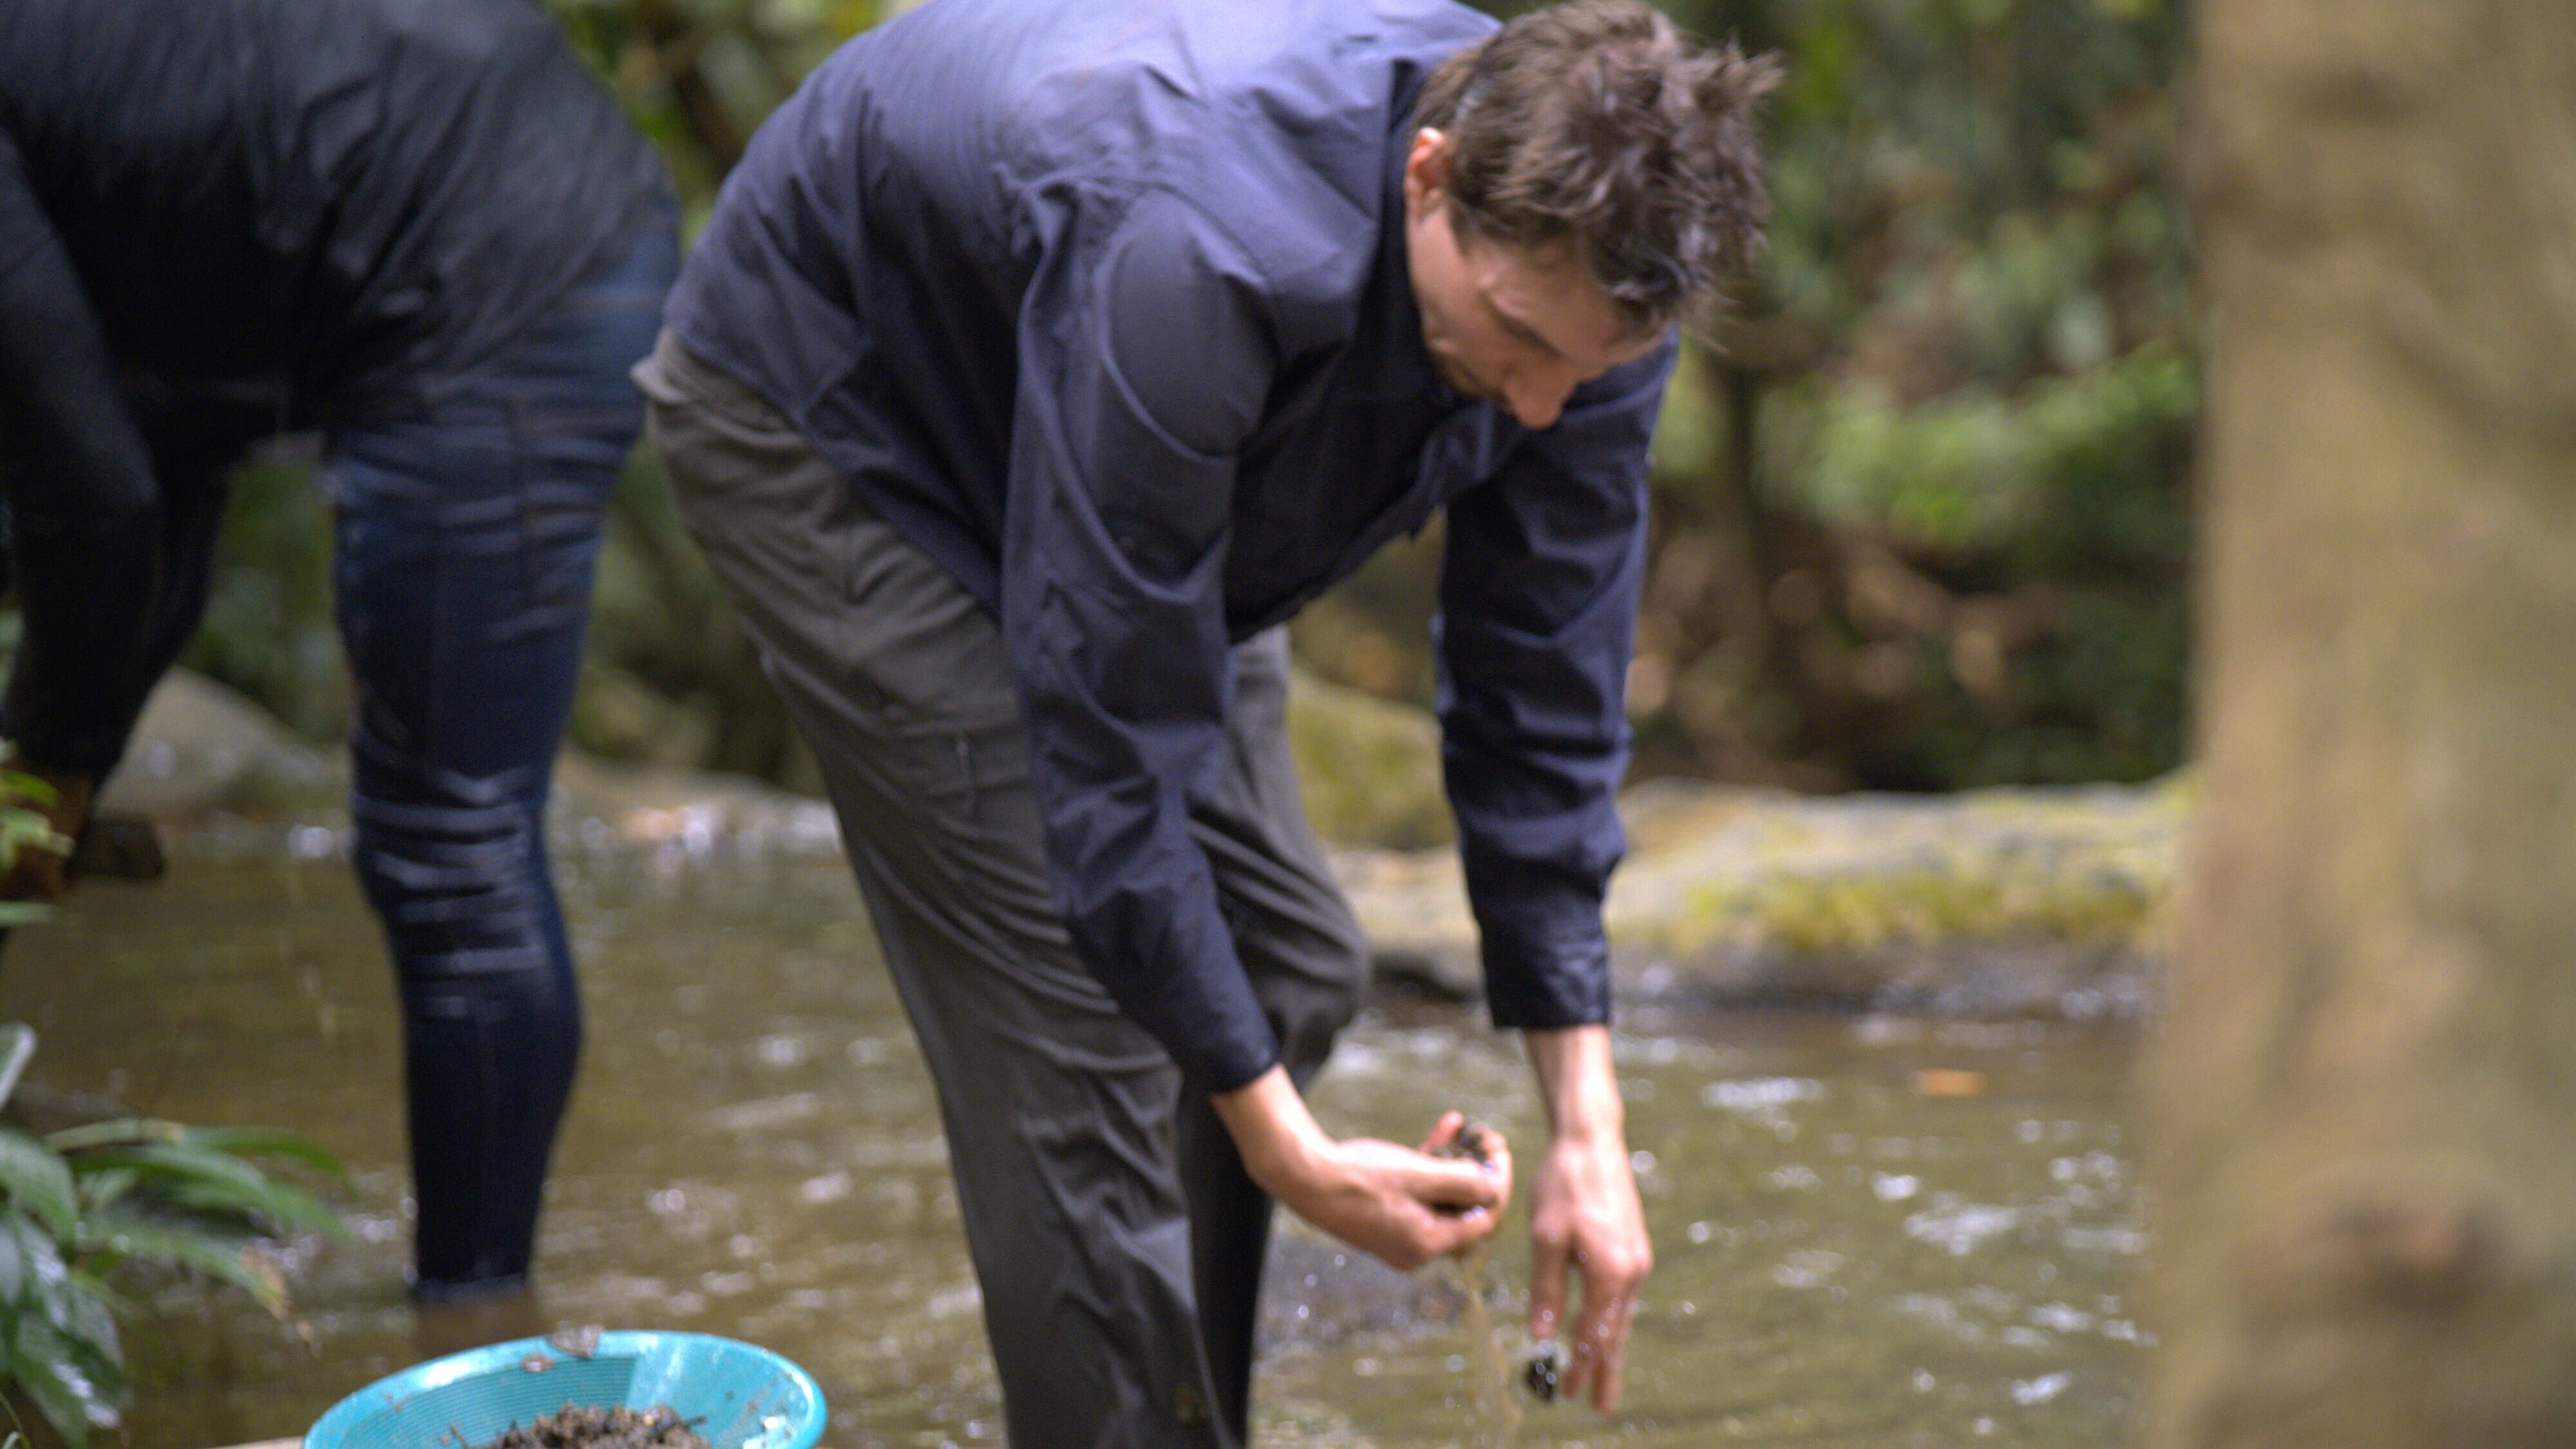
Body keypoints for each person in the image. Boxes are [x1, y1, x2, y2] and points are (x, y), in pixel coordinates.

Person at [641, 0, 1772, 1439]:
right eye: (1514, 338)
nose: (1541, 411)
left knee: (1287, 965)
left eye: (1591, 369)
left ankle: (1189, 1412)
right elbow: (1108, 767)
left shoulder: (1596, 295)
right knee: (1091, 1033)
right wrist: (1291, 1158)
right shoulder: (1201, 240)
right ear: (1426, 175)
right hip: (847, 419)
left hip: (1126, 433)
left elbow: (1536, 699)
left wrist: (1587, 1133)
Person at [0, 0, 676, 1301]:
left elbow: (98, 503)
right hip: (503, 219)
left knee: (450, 849)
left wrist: (53, 775)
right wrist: (55, 775)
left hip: (504, 269)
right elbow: (154, 484)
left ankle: (478, 1351)